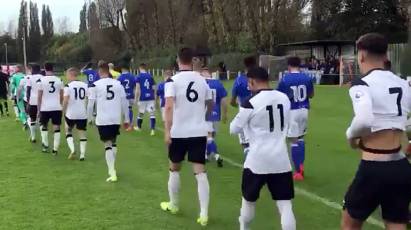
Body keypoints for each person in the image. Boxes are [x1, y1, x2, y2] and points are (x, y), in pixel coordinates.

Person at [342, 33, 411, 230]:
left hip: (373, 168)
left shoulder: (362, 83)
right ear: (386, 54)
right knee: (397, 223)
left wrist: (351, 136)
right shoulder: (403, 84)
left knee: (349, 223)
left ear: (361, 55)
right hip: (400, 167)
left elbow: (363, 120)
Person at [230, 67, 296, 230]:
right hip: (280, 159)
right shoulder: (284, 98)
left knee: (249, 200)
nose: (247, 87)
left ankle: (244, 227)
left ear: (252, 81)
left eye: (248, 83)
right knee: (285, 205)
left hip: (257, 160)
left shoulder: (250, 102)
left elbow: (233, 128)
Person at [160, 48, 213, 227]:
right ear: (192, 61)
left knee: (174, 168)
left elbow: (168, 107)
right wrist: (204, 118)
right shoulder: (202, 80)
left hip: (179, 132)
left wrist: (167, 131)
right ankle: (204, 214)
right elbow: (211, 102)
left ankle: (174, 205)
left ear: (177, 60)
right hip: (198, 131)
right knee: (200, 171)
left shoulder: (172, 81)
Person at [87, 61, 129, 182]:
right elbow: (124, 102)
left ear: (99, 72)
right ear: (109, 71)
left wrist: (90, 118)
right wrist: (126, 119)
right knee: (113, 143)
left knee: (107, 145)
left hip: (103, 119)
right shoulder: (118, 84)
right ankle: (113, 168)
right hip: (115, 118)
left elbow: (90, 104)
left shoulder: (95, 85)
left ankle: (112, 172)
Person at [277, 57, 314, 181]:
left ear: (288, 66)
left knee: (293, 140)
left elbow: (279, 96)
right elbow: (311, 95)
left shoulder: (285, 79)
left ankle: (298, 170)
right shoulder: (306, 78)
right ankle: (301, 165)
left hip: (292, 110)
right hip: (304, 109)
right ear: (300, 65)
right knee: (301, 138)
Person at [201, 67, 227, 167]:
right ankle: (206, 155)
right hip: (216, 114)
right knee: (211, 136)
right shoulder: (218, 83)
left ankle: (216, 156)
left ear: (203, 73)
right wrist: (224, 114)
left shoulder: (201, 82)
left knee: (207, 136)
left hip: (205, 113)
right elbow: (224, 100)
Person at [37, 62, 64, 155]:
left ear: (44, 68)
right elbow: (61, 95)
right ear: (53, 69)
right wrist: (59, 104)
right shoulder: (59, 80)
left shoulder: (41, 80)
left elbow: (39, 96)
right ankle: (55, 150)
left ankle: (45, 145)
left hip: (45, 108)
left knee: (44, 125)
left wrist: (38, 109)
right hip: (56, 107)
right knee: (56, 127)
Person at [231, 56, 255, 156]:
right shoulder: (258, 78)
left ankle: (249, 165)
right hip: (259, 109)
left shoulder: (239, 80)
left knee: (246, 143)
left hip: (244, 110)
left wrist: (235, 104)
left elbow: (232, 100)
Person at [63, 68, 89, 161]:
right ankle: (82, 155)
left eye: (67, 75)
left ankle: (73, 149)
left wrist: (63, 111)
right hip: (82, 113)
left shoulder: (68, 86)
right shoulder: (85, 85)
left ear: (71, 75)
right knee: (82, 134)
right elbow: (88, 98)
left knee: (68, 130)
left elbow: (65, 100)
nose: (66, 77)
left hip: (71, 113)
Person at [135, 63, 156, 135]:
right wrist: (153, 96)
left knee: (141, 112)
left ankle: (139, 127)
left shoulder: (138, 76)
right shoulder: (150, 76)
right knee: (152, 113)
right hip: (150, 97)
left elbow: (137, 89)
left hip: (142, 97)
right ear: (145, 68)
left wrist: (136, 99)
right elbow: (153, 88)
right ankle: (152, 130)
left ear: (140, 68)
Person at [26, 64, 43, 143]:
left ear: (33, 70)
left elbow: (28, 90)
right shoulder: (43, 77)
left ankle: (33, 137)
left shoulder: (30, 78)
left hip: (32, 101)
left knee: (32, 119)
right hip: (42, 101)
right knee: (41, 120)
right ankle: (44, 139)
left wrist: (28, 100)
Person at [117, 63, 136, 131]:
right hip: (131, 95)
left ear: (122, 69)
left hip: (123, 97)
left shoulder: (120, 77)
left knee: (122, 111)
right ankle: (130, 125)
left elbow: (117, 88)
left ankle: (122, 124)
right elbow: (135, 86)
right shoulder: (132, 76)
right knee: (130, 109)